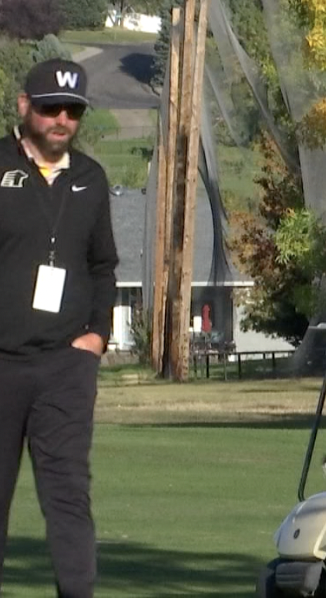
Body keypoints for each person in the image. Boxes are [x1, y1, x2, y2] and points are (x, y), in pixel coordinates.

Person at [0, 59, 118, 598]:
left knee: (69, 496)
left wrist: (96, 336)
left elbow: (102, 267)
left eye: (72, 111)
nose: (61, 119)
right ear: (24, 107)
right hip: (1, 363)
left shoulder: (90, 178)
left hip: (65, 368)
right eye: (50, 108)